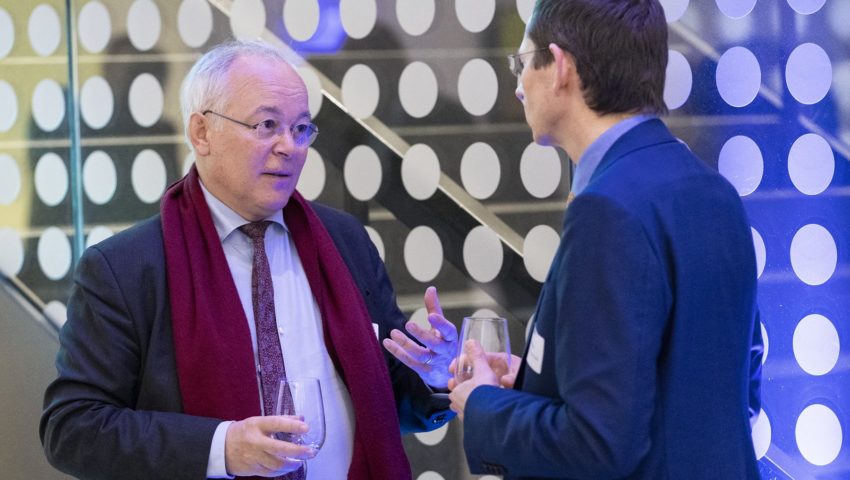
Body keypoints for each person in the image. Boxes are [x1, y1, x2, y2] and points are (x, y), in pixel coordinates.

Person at [40, 40, 455, 480]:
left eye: (301, 129)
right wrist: (221, 448)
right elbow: (73, 428)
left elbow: (387, 402)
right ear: (202, 133)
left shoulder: (344, 240)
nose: (288, 147)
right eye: (267, 124)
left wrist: (435, 374)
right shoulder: (124, 269)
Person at [433, 1, 764, 478]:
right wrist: (540, 381)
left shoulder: (605, 208)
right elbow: (735, 389)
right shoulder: (715, 191)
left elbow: (597, 443)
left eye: (522, 63)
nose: (518, 85)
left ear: (560, 67)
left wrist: (482, 402)